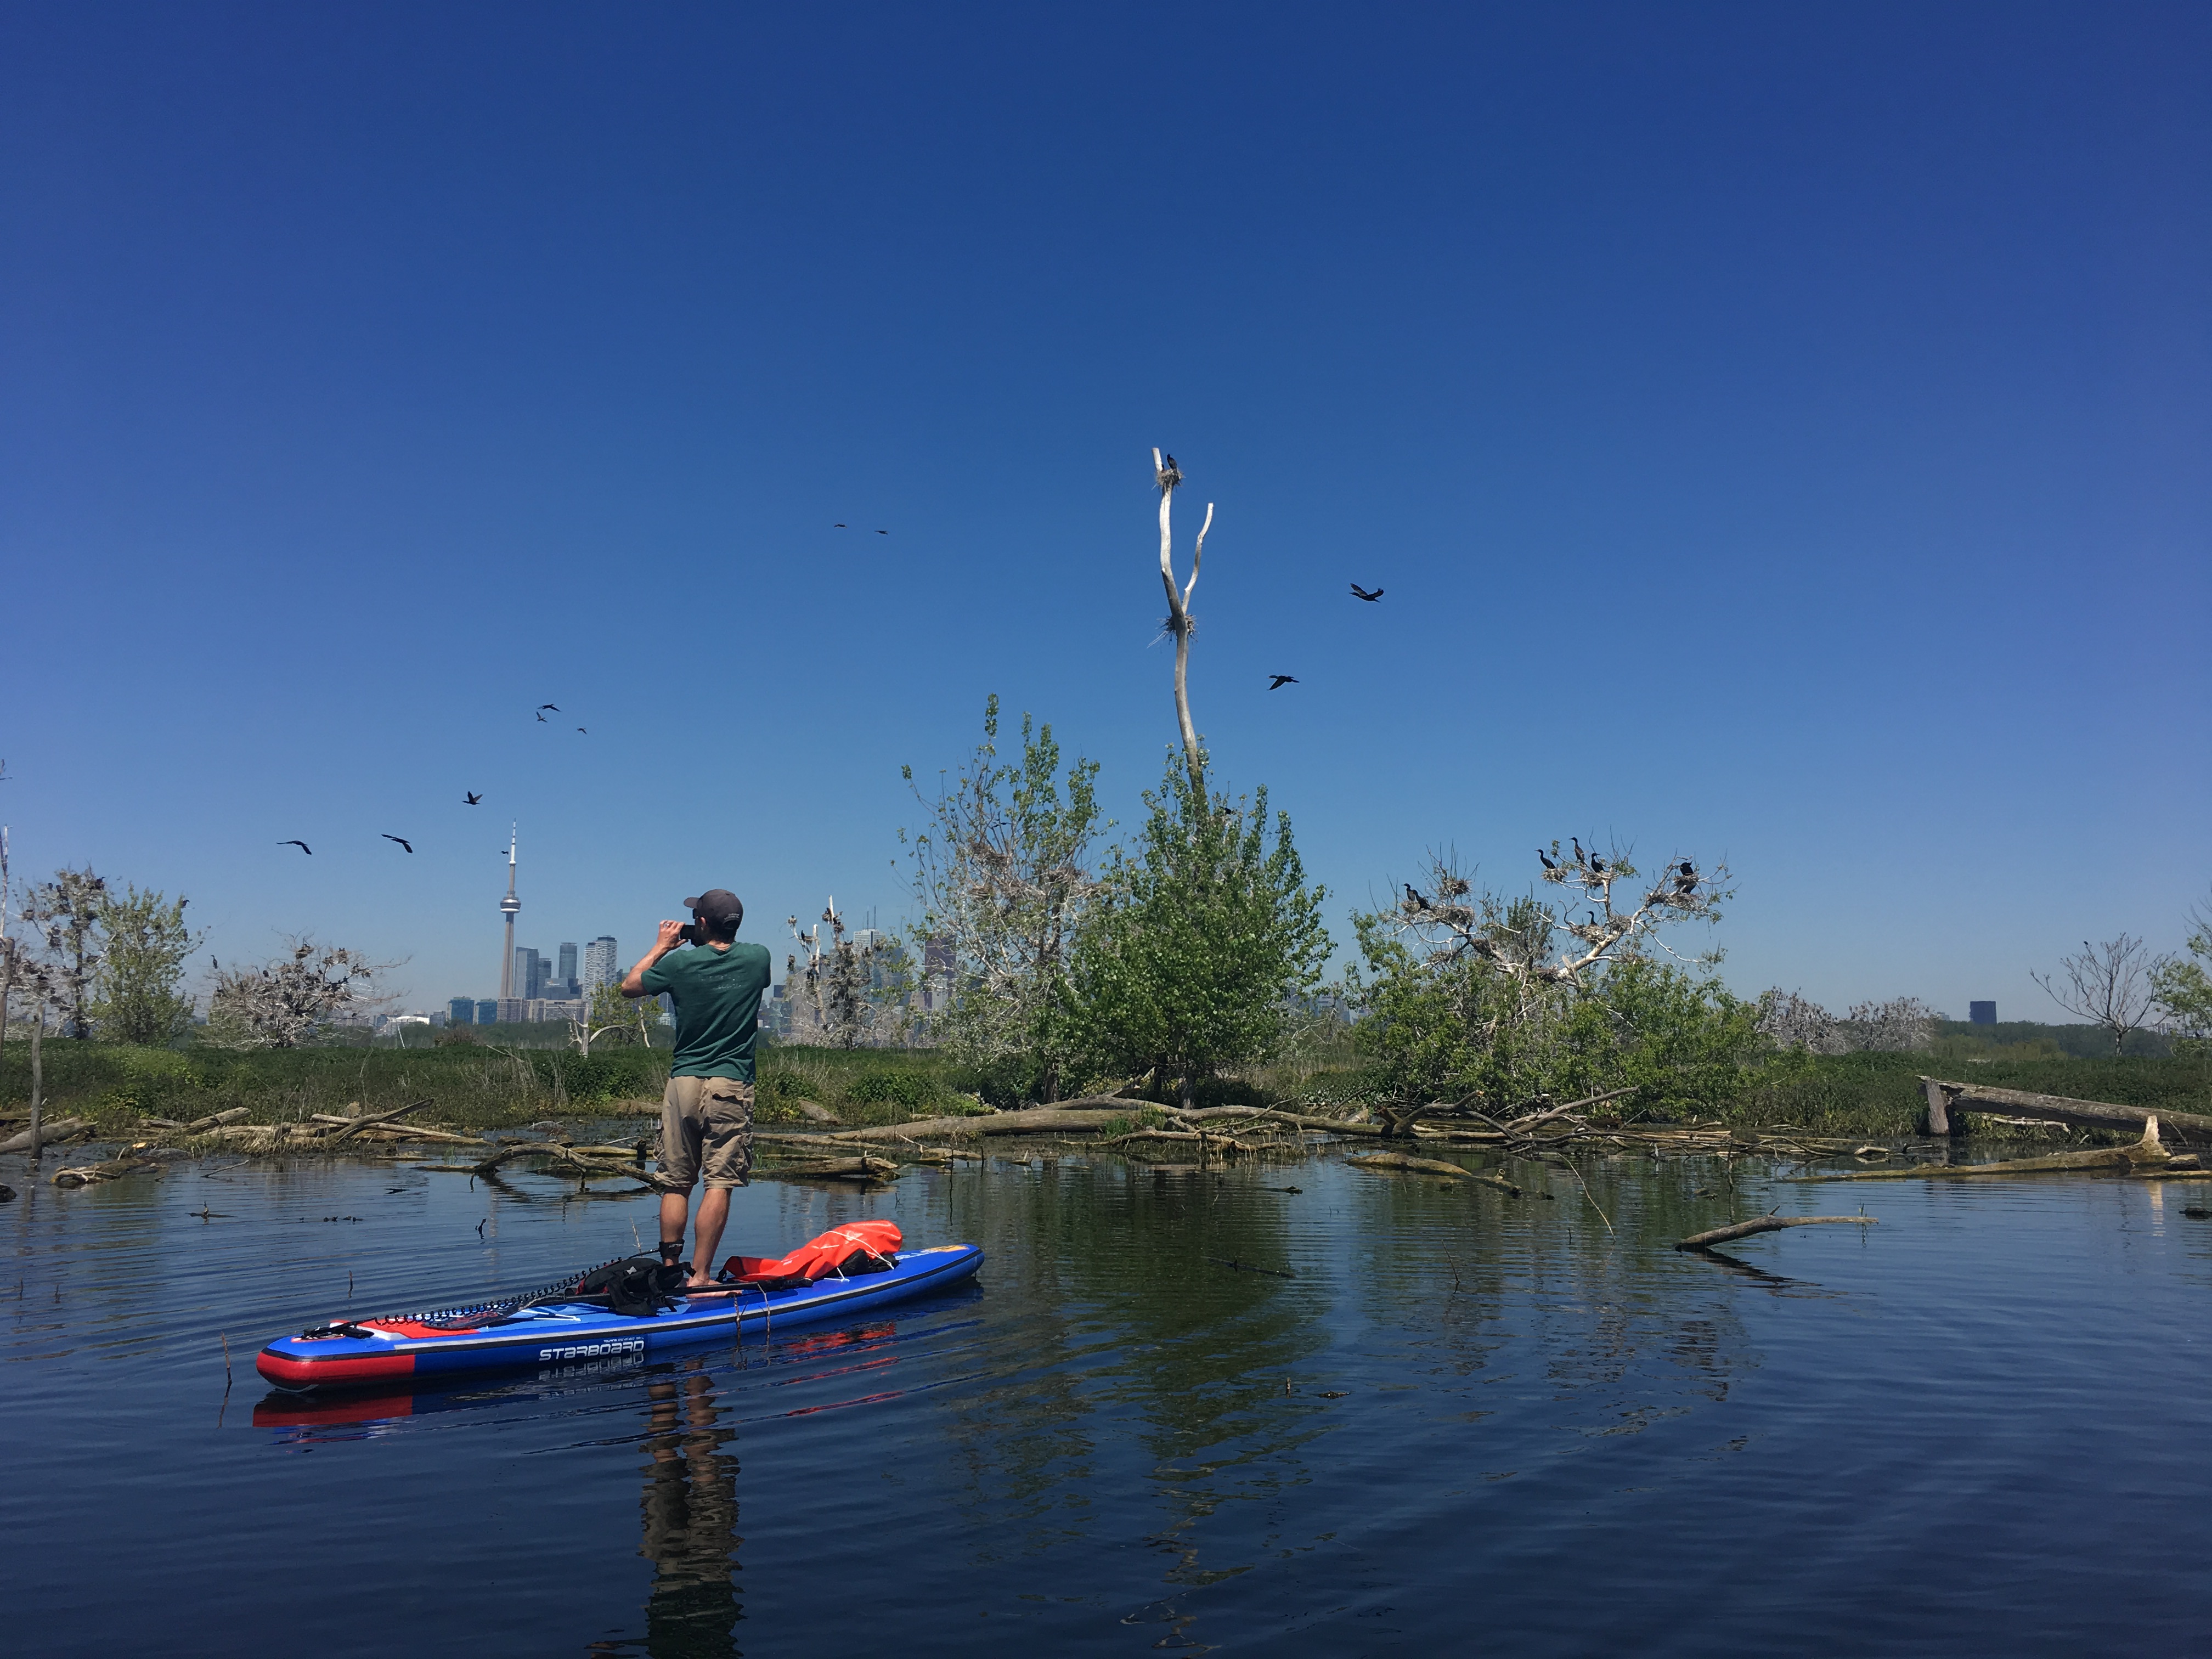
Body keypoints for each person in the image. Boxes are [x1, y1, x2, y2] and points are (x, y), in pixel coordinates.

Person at [623, 888, 773, 1289]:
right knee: (719, 1181)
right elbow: (728, 955)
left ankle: (672, 1271)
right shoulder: (758, 958)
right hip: (730, 1084)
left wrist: (663, 946)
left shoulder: (680, 964)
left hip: (683, 1082)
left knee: (676, 1182)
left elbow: (630, 985)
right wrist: (703, 939)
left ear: (701, 923)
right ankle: (701, 1277)